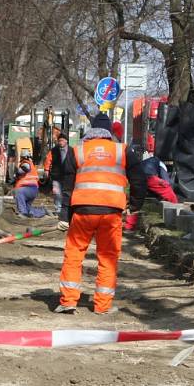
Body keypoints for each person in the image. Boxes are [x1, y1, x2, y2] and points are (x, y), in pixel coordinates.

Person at [55, 112, 147, 315]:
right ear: (109, 133)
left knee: (74, 254)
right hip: (111, 213)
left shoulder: (77, 151)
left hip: (82, 212)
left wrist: (64, 215)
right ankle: (102, 305)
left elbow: (67, 186)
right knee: (108, 258)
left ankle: (69, 300)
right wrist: (135, 205)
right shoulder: (123, 151)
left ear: (91, 130)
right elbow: (140, 180)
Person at [123, 156, 178, 231]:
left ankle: (129, 226)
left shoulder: (147, 162)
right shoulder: (160, 163)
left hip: (136, 179)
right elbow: (166, 182)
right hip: (149, 177)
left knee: (136, 203)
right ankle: (175, 218)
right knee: (170, 193)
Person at [13, 137, 48, 218]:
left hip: (27, 189)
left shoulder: (26, 163)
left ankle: (23, 213)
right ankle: (42, 211)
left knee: (18, 192)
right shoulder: (31, 164)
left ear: (22, 157)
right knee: (28, 208)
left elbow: (22, 170)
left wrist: (17, 172)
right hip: (33, 190)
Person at [43, 132, 75, 215]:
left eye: (62, 140)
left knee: (67, 193)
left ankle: (66, 209)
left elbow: (76, 161)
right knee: (57, 193)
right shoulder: (54, 150)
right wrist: (46, 170)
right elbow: (48, 159)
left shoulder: (72, 150)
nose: (60, 142)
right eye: (59, 141)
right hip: (56, 175)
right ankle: (58, 209)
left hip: (68, 175)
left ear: (66, 141)